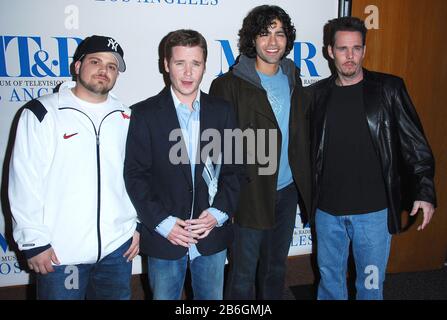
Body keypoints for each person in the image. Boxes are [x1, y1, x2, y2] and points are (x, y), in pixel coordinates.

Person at [309, 17, 436, 300]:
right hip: (327, 214)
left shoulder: (389, 89)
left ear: (364, 50)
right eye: (343, 49)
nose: (350, 56)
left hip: (373, 216)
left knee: (369, 288)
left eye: (356, 48)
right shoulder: (316, 95)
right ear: (330, 51)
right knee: (329, 286)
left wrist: (424, 190)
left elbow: (415, 145)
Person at [8, 35, 140, 299]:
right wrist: (33, 242)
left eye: (112, 66)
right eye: (96, 62)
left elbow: (137, 176)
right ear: (77, 66)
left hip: (117, 251)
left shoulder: (127, 117)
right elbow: (24, 180)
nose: (104, 70)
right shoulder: (42, 113)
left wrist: (137, 225)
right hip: (61, 254)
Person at [124, 29, 241, 300]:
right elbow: (135, 176)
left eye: (195, 64)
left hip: (212, 236)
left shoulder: (223, 111)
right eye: (180, 63)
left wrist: (219, 213)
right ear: (166, 65)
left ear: (204, 66)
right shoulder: (143, 114)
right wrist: (161, 223)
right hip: (165, 238)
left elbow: (236, 169)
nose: (188, 73)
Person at [209, 5, 311, 300]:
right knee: (242, 274)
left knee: (275, 269)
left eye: (279, 33)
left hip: (287, 191)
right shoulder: (227, 85)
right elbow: (218, 149)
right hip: (248, 194)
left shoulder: (294, 78)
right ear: (251, 39)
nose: (272, 41)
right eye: (264, 33)